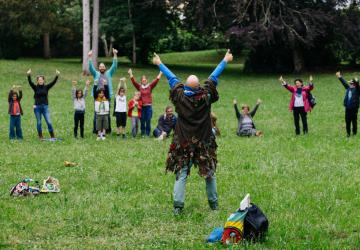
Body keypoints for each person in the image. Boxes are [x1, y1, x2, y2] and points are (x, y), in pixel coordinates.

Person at [152, 49, 233, 215]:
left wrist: (160, 63)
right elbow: (213, 78)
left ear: (186, 86)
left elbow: (172, 78)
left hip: (184, 141)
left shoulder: (180, 97)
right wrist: (225, 60)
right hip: (204, 140)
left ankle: (178, 207)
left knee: (181, 174)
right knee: (209, 174)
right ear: (198, 87)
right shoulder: (206, 96)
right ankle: (214, 205)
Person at [88, 48, 118, 134]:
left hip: (107, 95)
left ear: (105, 68)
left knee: (107, 113)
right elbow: (90, 68)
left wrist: (115, 54)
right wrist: (89, 57)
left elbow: (114, 66)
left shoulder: (109, 73)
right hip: (97, 95)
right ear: (99, 68)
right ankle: (96, 129)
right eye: (100, 66)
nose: (101, 68)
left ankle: (107, 130)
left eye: (103, 66)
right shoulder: (96, 74)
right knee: (96, 113)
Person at [128, 68, 162, 137]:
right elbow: (134, 82)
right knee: (142, 120)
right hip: (142, 107)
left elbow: (156, 81)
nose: (144, 81)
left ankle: (147, 132)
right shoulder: (139, 87)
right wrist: (130, 74)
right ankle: (143, 132)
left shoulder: (150, 86)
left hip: (148, 107)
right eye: (142, 80)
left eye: (145, 80)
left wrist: (161, 73)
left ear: (147, 80)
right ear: (141, 81)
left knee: (148, 120)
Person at [27, 69, 60, 139]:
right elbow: (30, 82)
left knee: (49, 122)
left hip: (45, 107)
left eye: (41, 80)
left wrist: (57, 75)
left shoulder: (46, 87)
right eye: (39, 80)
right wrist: (29, 75)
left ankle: (52, 135)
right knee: (39, 122)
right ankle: (40, 136)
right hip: (37, 107)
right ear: (37, 81)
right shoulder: (35, 87)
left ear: (44, 80)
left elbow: (53, 82)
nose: (40, 81)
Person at [336, 71, 360, 137]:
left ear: (354, 84)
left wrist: (357, 82)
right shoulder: (348, 88)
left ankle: (354, 133)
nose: (349, 84)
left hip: (354, 108)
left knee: (354, 121)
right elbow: (344, 83)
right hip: (348, 108)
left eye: (351, 83)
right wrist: (339, 77)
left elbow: (358, 86)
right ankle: (348, 134)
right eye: (349, 83)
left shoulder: (357, 90)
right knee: (347, 121)